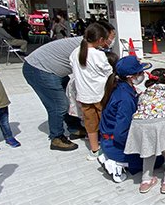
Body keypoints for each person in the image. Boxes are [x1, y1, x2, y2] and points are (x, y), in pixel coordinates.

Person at [22, 23, 115, 151]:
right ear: (101, 37)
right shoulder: (87, 50)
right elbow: (103, 70)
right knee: (59, 104)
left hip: (56, 72)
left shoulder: (82, 47)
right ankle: (56, 137)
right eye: (111, 36)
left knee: (69, 99)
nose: (111, 40)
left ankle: (74, 128)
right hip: (39, 69)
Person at [98, 56, 149, 183]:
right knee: (157, 160)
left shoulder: (120, 87)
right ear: (131, 76)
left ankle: (109, 156)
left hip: (107, 140)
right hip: (116, 144)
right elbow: (121, 133)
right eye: (141, 73)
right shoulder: (125, 99)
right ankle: (116, 163)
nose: (144, 75)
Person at [69, 23, 113, 160]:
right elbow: (109, 72)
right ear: (100, 39)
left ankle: (94, 150)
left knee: (90, 124)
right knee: (106, 122)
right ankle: (109, 148)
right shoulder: (98, 55)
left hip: (84, 96)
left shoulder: (75, 52)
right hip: (100, 95)